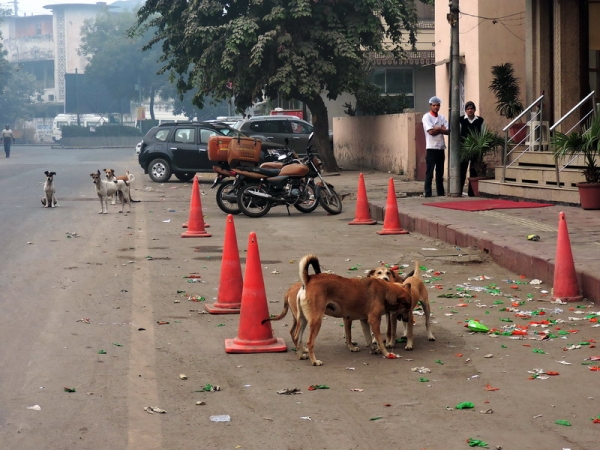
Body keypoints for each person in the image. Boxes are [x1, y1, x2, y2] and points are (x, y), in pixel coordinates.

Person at [422, 96, 450, 197]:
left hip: (440, 148)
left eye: (437, 105)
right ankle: (428, 193)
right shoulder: (427, 117)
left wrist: (438, 129)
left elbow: (448, 130)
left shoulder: (442, 117)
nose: (436, 107)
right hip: (431, 148)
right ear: (430, 106)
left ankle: (440, 193)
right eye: (434, 105)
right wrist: (440, 129)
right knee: (429, 172)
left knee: (440, 173)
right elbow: (431, 132)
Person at [459, 101, 485, 196]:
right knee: (462, 170)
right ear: (465, 110)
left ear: (474, 110)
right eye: (468, 109)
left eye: (471, 108)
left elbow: (483, 134)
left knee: (474, 170)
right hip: (464, 150)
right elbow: (457, 134)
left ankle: (472, 192)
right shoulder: (461, 120)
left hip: (476, 149)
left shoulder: (480, 120)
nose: (470, 110)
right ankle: (459, 190)